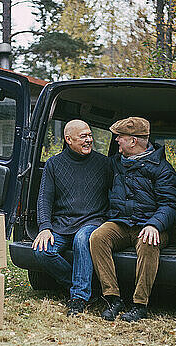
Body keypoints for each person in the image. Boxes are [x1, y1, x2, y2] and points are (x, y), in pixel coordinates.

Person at [90, 117, 176, 322]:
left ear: (133, 141)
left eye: (119, 137)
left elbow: (170, 204)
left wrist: (155, 224)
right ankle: (112, 298)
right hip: (122, 224)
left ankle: (140, 304)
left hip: (151, 225)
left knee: (149, 242)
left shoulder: (163, 169)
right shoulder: (115, 164)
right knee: (98, 237)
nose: (116, 141)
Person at [32, 119, 112, 317]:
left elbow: (116, 195)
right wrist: (44, 227)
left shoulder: (104, 163)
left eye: (90, 135)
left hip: (93, 221)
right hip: (62, 224)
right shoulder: (54, 164)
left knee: (82, 239)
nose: (89, 140)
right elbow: (44, 198)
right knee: (42, 251)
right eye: (83, 136)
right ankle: (86, 286)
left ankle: (78, 299)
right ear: (69, 139)